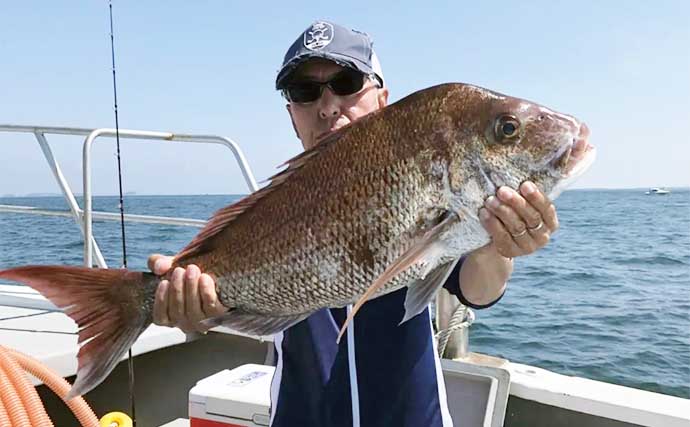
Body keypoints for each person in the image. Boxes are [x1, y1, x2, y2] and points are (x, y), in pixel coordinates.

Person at [148, 21, 559, 427]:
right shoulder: (276, 208)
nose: (327, 107)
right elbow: (222, 304)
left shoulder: (426, 184)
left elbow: (478, 288)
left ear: (382, 100)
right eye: (305, 92)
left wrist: (496, 245)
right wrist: (195, 306)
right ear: (293, 117)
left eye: (346, 83)